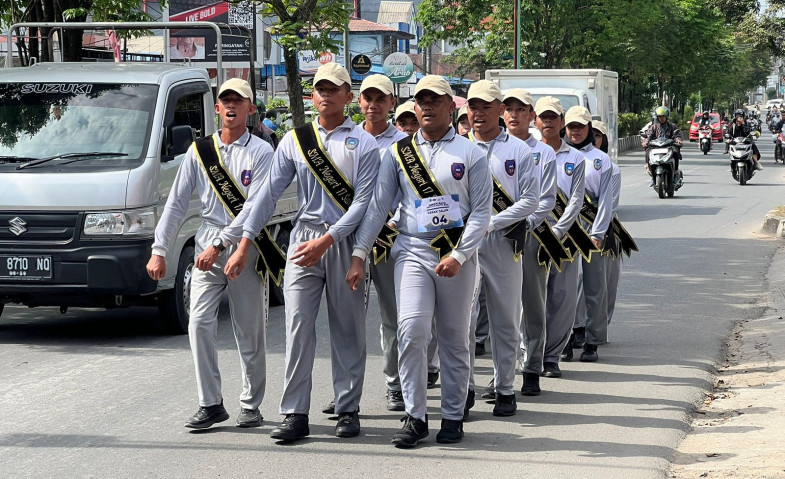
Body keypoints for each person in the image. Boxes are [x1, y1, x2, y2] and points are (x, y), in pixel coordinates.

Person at [223, 62, 380, 442]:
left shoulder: (365, 143)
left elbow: (363, 204)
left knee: (348, 327)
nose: (325, 94)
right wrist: (244, 243)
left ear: (348, 96)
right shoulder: (295, 140)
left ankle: (347, 407)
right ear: (312, 95)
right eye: (319, 88)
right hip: (302, 239)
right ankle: (295, 412)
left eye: (333, 89)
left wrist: (330, 240)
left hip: (343, 242)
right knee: (297, 327)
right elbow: (266, 196)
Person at [346, 75, 492, 447]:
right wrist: (360, 253)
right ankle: (415, 415)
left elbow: (481, 214)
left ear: (450, 106)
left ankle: (454, 415)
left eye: (435, 100)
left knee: (455, 338)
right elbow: (379, 206)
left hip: (455, 255)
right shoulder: (398, 154)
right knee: (411, 330)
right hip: (410, 250)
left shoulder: (471, 154)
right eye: (421, 100)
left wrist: (460, 255)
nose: (427, 106)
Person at [146, 78, 273, 430]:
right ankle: (210, 403)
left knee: (249, 329)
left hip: (246, 245)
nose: (231, 106)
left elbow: (256, 208)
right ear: (217, 108)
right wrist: (159, 249)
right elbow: (174, 204)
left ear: (250, 108)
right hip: (207, 241)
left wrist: (227, 245)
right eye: (225, 100)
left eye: (239, 100)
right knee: (199, 323)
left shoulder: (262, 152)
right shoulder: (199, 151)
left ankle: (251, 403)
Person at [463, 80, 539, 417]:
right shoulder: (456, 148)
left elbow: (530, 201)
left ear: (499, 110)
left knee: (505, 319)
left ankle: (505, 387)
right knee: (460, 319)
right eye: (473, 107)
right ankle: (462, 386)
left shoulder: (519, 151)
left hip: (503, 239)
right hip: (460, 242)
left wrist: (490, 223)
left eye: (486, 106)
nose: (479, 113)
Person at [497, 89, 559, 397]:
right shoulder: (490, 148)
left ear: (531, 115)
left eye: (520, 109)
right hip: (492, 236)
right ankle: (501, 376)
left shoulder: (543, 153)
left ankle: (532, 368)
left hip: (531, 236)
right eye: (508, 108)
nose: (513, 114)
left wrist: (523, 225)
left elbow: (547, 200)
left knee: (533, 303)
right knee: (495, 308)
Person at [357, 74, 409, 412]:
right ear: (358, 101)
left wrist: (393, 220)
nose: (373, 105)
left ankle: (395, 383)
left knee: (393, 317)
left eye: (381, 99)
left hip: (391, 238)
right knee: (346, 318)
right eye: (368, 98)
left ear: (392, 103)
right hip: (352, 241)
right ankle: (347, 389)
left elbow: (413, 195)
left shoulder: (405, 143)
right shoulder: (346, 138)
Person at [534, 97, 588, 378]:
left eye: (553, 117)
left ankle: (552, 356)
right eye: (543, 116)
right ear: (535, 120)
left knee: (562, 297)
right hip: (531, 233)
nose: (548, 122)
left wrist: (557, 231)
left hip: (564, 234)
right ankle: (529, 354)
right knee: (530, 298)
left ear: (562, 122)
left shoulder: (575, 158)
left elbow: (576, 201)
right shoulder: (524, 152)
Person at [564, 106, 613, 364]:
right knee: (564, 288)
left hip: (592, 225)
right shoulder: (557, 155)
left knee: (594, 286)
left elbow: (607, 200)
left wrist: (598, 231)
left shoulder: (602, 160)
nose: (575, 131)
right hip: (563, 226)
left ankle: (592, 340)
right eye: (571, 126)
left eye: (580, 127)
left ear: (589, 129)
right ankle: (566, 336)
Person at [642, 106, 683, 186]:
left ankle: (675, 172)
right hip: (656, 147)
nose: (662, 119)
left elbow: (677, 135)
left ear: (667, 117)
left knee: (675, 152)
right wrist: (646, 141)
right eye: (660, 117)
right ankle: (650, 170)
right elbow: (649, 135)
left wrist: (678, 140)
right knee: (648, 151)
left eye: (663, 117)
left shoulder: (672, 126)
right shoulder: (654, 127)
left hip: (668, 147)